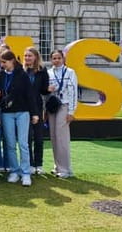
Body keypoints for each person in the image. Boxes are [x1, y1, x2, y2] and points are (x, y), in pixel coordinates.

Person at [0, 50, 39, 187]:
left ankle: (26, 173)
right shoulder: (1, 75)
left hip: (22, 112)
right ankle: (14, 171)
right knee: (10, 143)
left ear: (12, 60)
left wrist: (34, 113)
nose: (2, 65)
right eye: (1, 62)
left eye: (4, 62)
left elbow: (30, 95)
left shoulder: (22, 75)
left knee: (24, 143)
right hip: (6, 112)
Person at [47, 49, 78, 178]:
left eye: (59, 58)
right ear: (51, 60)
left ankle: (65, 169)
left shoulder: (70, 72)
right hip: (52, 106)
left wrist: (71, 111)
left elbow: (74, 92)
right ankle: (57, 166)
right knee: (53, 136)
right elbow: (45, 92)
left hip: (64, 105)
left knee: (62, 137)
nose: (56, 60)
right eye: (54, 58)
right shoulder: (48, 73)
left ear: (63, 59)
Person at [23, 46, 49, 175]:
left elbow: (43, 90)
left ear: (35, 57)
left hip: (38, 107)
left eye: (30, 56)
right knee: (27, 138)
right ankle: (29, 164)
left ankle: (38, 164)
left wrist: (49, 89)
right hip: (24, 108)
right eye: (26, 56)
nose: (27, 58)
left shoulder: (42, 71)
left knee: (38, 138)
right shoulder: (22, 71)